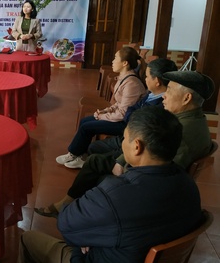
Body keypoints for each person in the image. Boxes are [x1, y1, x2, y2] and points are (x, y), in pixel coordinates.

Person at [20, 107, 203, 263]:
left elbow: (66, 224)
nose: (122, 143)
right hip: (131, 253)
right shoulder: (189, 186)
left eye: (124, 138)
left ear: (137, 146)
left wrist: (89, 239)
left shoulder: (113, 195)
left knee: (27, 238)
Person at [36, 70, 213, 218]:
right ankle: (69, 203)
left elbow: (158, 174)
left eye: (171, 90)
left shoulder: (183, 132)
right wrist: (121, 160)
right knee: (95, 160)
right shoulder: (188, 119)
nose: (164, 95)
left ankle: (81, 213)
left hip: (142, 178)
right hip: (139, 158)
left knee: (101, 177)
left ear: (187, 98)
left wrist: (123, 169)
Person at [56, 47, 147, 169]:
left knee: (86, 127)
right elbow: (119, 103)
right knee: (85, 121)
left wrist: (102, 116)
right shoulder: (124, 78)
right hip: (119, 117)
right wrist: (106, 110)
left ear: (125, 63)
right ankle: (78, 154)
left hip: (125, 124)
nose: (113, 62)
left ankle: (76, 155)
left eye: (115, 58)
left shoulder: (132, 84)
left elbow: (123, 114)